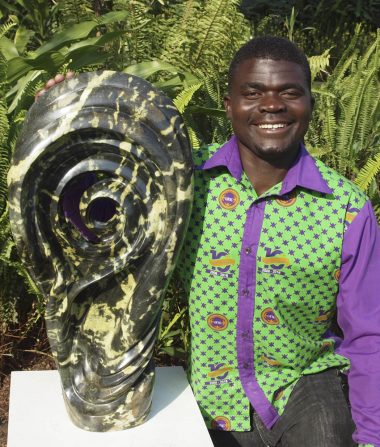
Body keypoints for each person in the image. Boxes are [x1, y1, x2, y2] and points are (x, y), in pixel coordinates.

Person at [38, 36, 380, 447]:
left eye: (289, 92)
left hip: (304, 387)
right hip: (213, 395)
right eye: (252, 93)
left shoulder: (345, 208)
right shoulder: (181, 180)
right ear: (229, 104)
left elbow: (367, 334)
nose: (272, 106)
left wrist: (372, 436)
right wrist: (66, 122)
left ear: (309, 101)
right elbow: (95, 216)